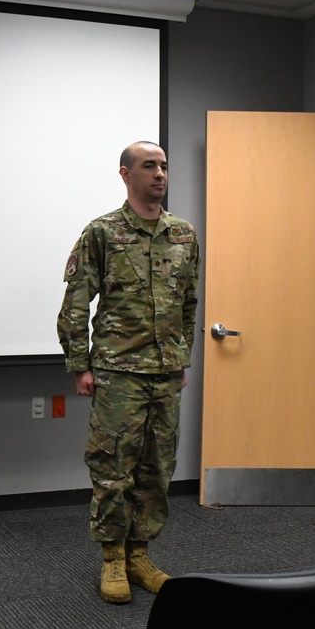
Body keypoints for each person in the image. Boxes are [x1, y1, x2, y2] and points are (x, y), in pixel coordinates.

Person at [57, 141, 199, 604]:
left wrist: (181, 357)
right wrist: (81, 365)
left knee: (157, 470)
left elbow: (189, 305)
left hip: (165, 372)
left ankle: (140, 553)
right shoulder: (102, 233)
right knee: (113, 467)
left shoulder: (183, 235)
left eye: (163, 166)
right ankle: (112, 557)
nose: (160, 174)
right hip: (119, 372)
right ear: (125, 174)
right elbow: (75, 305)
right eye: (148, 166)